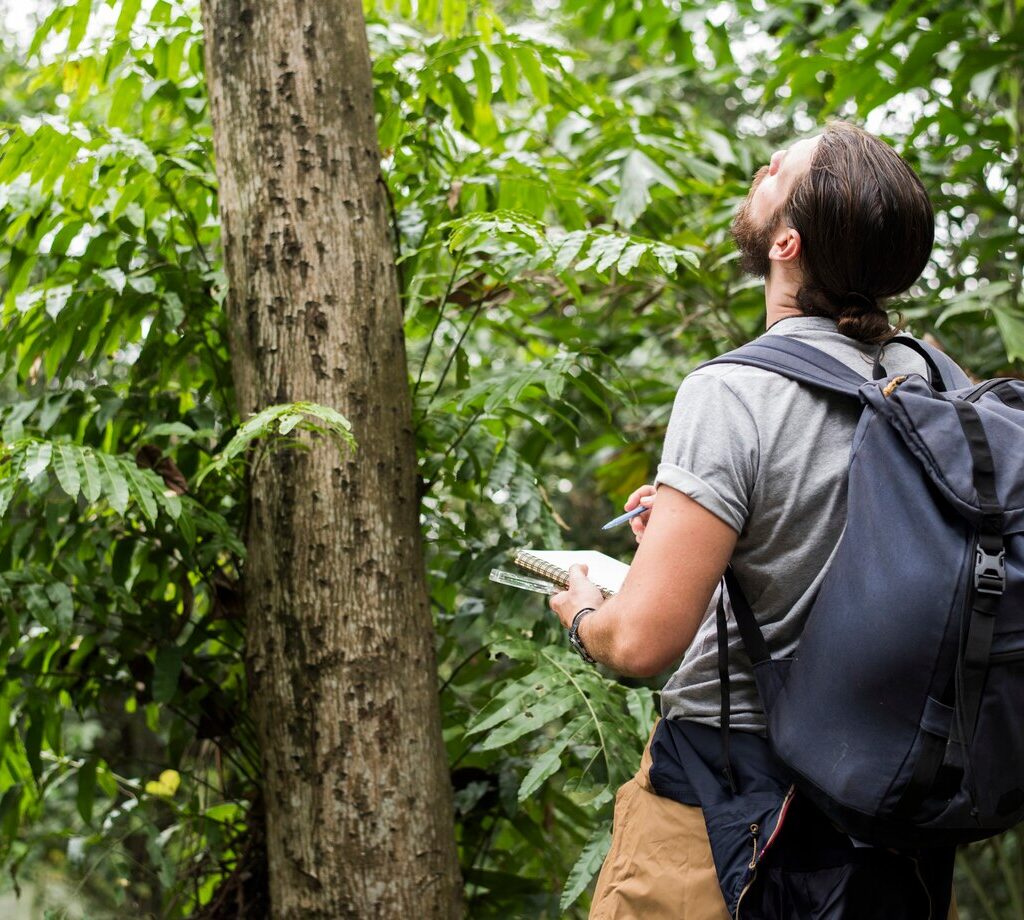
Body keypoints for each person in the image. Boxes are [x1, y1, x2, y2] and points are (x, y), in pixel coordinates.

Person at [548, 120, 963, 918]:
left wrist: (586, 614)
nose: (765, 165)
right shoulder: (936, 376)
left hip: (723, 804)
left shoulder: (733, 392)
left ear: (787, 245)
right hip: (894, 810)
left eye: (782, 170)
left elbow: (641, 644)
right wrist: (695, 532)